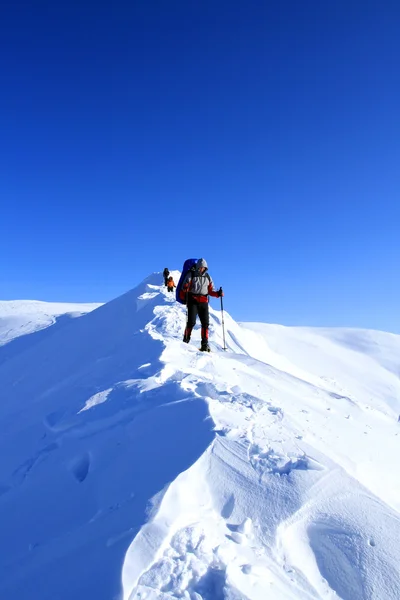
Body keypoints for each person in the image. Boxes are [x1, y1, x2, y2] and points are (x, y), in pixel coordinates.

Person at [181, 258, 223, 351]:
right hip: (193, 301)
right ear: (197, 267)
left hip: (204, 302)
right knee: (191, 322)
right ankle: (186, 340)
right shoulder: (190, 274)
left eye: (203, 268)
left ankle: (204, 344)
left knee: (205, 324)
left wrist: (218, 294)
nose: (201, 269)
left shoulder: (208, 277)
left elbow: (210, 290)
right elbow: (185, 287)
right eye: (200, 267)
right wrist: (186, 288)